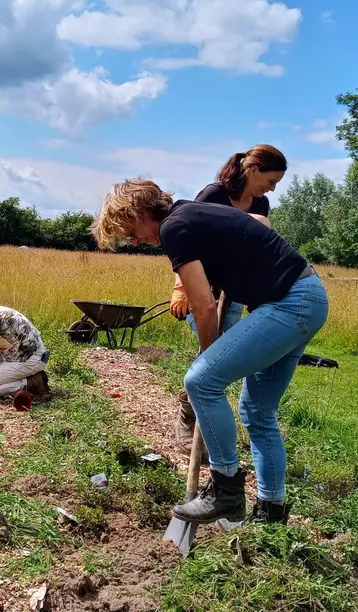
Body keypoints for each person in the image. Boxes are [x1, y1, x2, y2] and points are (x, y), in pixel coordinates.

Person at [90, 179, 328, 526]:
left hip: (290, 304)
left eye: (130, 231)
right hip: (307, 298)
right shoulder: (192, 215)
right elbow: (254, 229)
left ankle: (225, 491)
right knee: (258, 411)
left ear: (139, 212)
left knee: (201, 381)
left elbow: (202, 305)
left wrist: (208, 357)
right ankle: (271, 513)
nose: (134, 240)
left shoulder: (174, 227)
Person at [169, 145, 287, 453]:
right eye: (271, 180)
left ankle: (202, 417)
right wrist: (180, 287)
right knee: (210, 353)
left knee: (222, 355)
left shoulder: (260, 203)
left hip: (233, 291)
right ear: (253, 170)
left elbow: (252, 247)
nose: (272, 188)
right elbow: (184, 238)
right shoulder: (214, 194)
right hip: (201, 287)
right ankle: (188, 416)